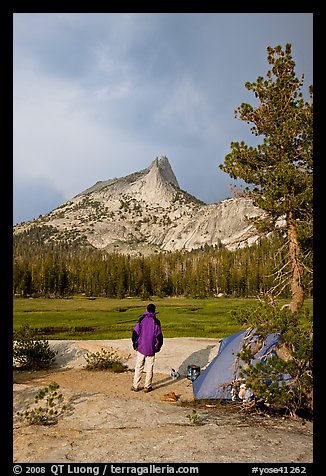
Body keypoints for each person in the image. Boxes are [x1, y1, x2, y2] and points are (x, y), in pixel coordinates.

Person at [131, 303, 163, 393]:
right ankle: (147, 386)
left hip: (141, 347)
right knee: (149, 368)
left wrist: (135, 344)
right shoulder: (156, 322)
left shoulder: (141, 319)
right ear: (154, 310)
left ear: (147, 310)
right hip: (151, 349)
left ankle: (136, 386)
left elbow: (135, 333)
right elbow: (159, 336)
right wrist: (157, 347)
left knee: (138, 367)